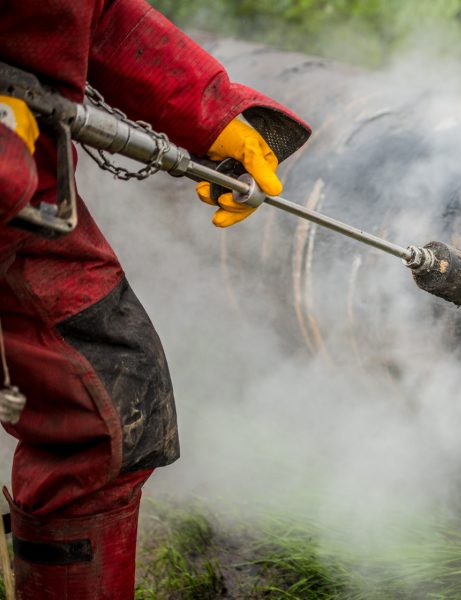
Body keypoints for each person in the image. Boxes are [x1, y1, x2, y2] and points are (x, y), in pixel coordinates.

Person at [0, 1, 310, 597]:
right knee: (98, 395)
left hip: (23, 192)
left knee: (109, 396)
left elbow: (86, 10)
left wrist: (212, 113)